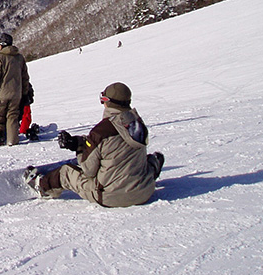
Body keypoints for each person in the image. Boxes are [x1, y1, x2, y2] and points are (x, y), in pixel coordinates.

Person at [26, 82, 165, 207]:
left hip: (110, 196)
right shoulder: (137, 124)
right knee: (146, 160)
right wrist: (80, 142)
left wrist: (79, 148)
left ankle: (42, 187)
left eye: (103, 100)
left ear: (108, 102)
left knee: (66, 173)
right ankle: (149, 173)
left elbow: (88, 170)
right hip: (144, 191)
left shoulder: (102, 130)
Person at [0, 33, 30, 146]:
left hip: (2, 93)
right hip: (17, 93)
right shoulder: (19, 58)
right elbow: (25, 77)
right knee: (13, 116)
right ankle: (12, 140)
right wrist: (25, 93)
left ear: (1, 44)